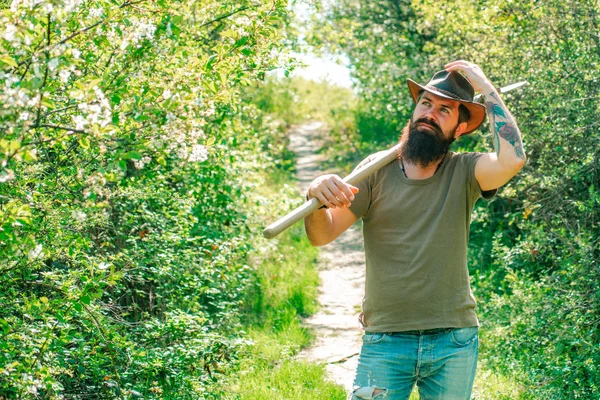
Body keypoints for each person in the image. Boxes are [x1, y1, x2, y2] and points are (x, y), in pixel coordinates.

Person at [304, 60, 526, 400]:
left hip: (453, 340)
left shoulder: (466, 171)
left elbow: (513, 160)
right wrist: (317, 196)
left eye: (444, 110)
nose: (430, 114)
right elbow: (321, 235)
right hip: (386, 340)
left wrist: (485, 87)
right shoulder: (375, 170)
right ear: (414, 110)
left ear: (460, 128)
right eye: (425, 103)